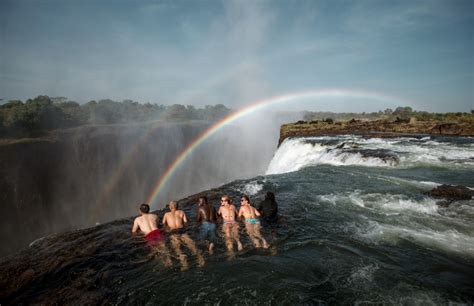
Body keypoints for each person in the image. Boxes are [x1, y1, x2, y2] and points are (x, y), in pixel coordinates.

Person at [163, 201, 204, 270]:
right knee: (191, 244)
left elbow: (164, 224)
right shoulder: (181, 212)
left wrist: (167, 230)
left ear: (170, 207)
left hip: (173, 232)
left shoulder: (166, 214)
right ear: (177, 206)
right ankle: (200, 258)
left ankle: (184, 262)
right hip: (182, 230)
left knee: (177, 248)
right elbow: (186, 222)